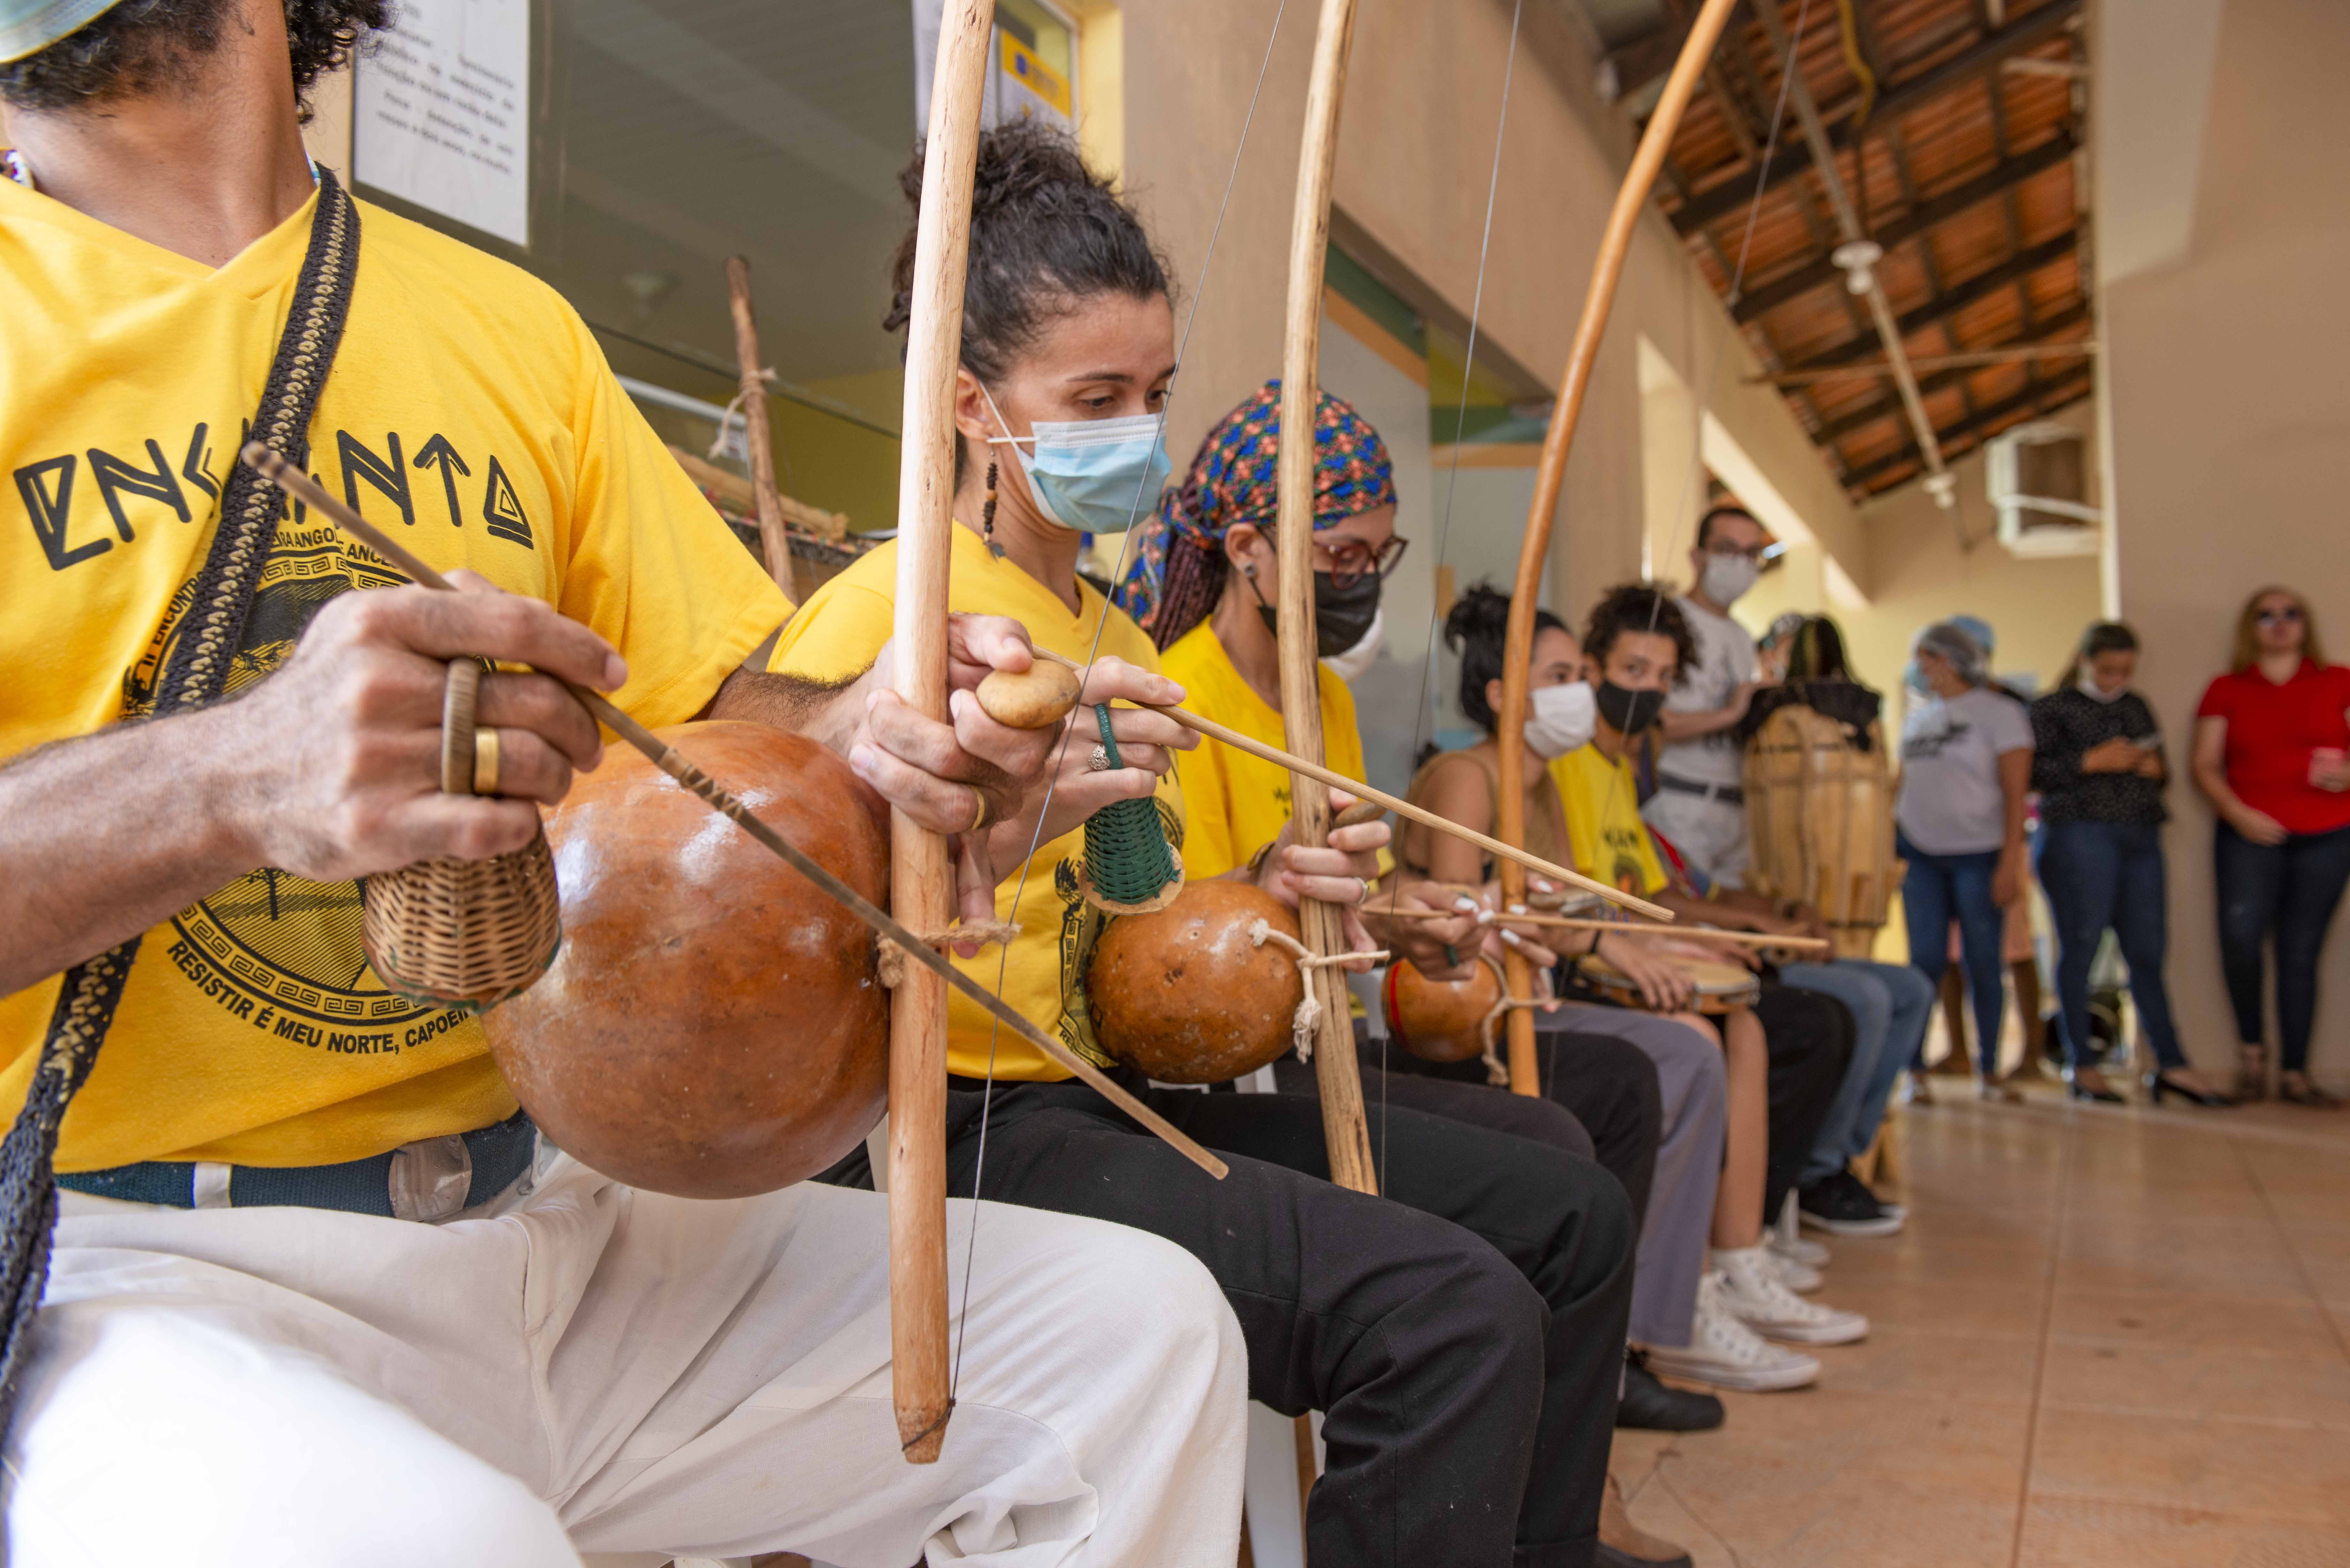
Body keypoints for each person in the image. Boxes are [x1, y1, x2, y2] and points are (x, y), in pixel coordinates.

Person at [0, 4, 1254, 1562]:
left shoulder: (505, 328)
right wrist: (228, 778)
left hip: (572, 1223)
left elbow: (743, 720)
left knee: (1142, 1342)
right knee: (448, 1540)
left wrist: (887, 732)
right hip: (128, 1263)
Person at [775, 122, 1639, 1568]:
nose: (1138, 428)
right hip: (953, 1128)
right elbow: (797, 893)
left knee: (1563, 1205)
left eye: (1152, 392)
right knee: (1449, 1313)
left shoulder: (1114, 632)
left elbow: (1137, 926)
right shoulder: (897, 609)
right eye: (1095, 394)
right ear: (979, 407)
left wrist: (1263, 902)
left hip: (1102, 1086)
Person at [1119, 382, 1709, 1560]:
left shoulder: (1320, 690)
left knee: (1587, 1127)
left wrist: (1418, 915)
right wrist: (1279, 888)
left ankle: (1553, 1515)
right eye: (1342, 551)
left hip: (1329, 1034)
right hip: (1234, 1070)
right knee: (1560, 1179)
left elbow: (1352, 896)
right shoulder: (1171, 693)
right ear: (1248, 548)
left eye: (1377, 553)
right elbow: (1165, 954)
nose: (1364, 579)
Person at [1406, 584, 1850, 1396]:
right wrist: (1604, 939)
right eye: (1560, 671)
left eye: (1581, 670)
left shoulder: (1539, 785)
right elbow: (1461, 922)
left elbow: (1569, 902)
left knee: (1709, 1034)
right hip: (1483, 1022)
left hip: (1536, 999)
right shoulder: (1469, 775)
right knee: (1685, 1049)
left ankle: (1688, 1291)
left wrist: (1640, 935)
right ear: (1503, 693)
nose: (1580, 690)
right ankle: (1648, 1320)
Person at [1662, 602, 1933, 1237]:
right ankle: (1814, 1172)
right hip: (1724, 952)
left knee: (1910, 988)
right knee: (1858, 999)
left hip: (1778, 926)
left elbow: (1696, 889)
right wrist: (1755, 929)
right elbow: (1660, 901)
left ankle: (1838, 1155)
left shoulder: (1647, 818)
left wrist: (1781, 911)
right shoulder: (1650, 806)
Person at [2030, 623, 2228, 1106]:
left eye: (2125, 670)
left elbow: (2161, 769)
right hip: (2079, 836)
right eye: (2107, 669)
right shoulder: (2050, 708)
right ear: (2083, 660)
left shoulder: (2135, 705)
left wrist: (2153, 768)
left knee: (2147, 953)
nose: (2116, 678)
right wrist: (2090, 762)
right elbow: (2029, 775)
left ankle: (2173, 1064)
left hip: (2140, 837)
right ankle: (2085, 1066)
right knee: (2080, 950)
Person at [2192, 587, 2350, 1107]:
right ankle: (2252, 1056)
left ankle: (2296, 1073)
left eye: (2290, 614)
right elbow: (2205, 764)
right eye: (2266, 615)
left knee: (2301, 952)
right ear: (2249, 627)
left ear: (2306, 624)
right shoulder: (2226, 688)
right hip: (2249, 834)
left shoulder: (2339, 680)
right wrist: (2239, 814)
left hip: (2328, 834)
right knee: (2241, 940)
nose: (2279, 624)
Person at [1896, 621, 2035, 1102]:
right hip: (1921, 856)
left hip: (1980, 854)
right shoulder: (1917, 718)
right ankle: (1915, 1071)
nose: (1919, 669)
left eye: (1926, 658)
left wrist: (2009, 863)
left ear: (1950, 660)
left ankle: (1990, 1071)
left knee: (1983, 963)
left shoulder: (2001, 715)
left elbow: (2017, 794)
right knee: (1925, 962)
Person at [1640, 504, 1776, 887]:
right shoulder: (1668, 621)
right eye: (1727, 548)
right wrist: (1731, 714)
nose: (1740, 562)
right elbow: (1647, 722)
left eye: (1751, 554)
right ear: (1697, 557)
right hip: (1680, 802)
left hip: (1736, 809)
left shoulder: (1742, 636)